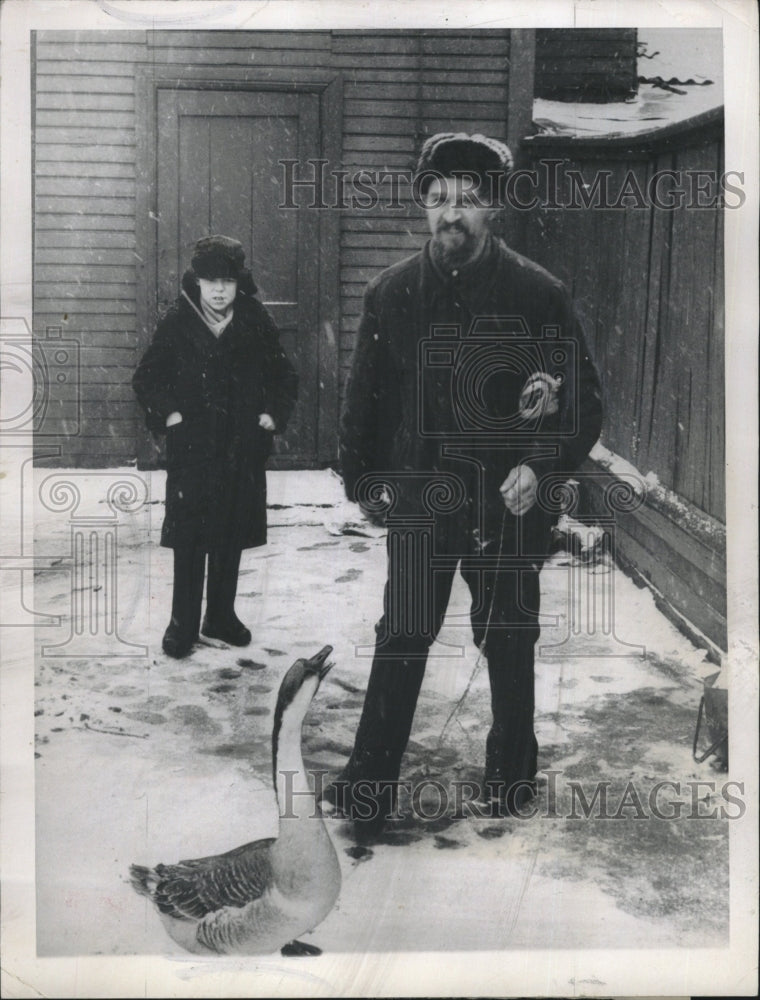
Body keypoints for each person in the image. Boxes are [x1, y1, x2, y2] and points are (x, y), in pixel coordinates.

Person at [325, 133, 603, 837]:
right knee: (404, 636)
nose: (454, 213)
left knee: (508, 637)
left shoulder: (538, 295)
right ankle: (367, 789)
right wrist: (366, 480)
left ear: (495, 210)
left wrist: (539, 466)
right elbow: (364, 402)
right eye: (441, 197)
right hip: (422, 499)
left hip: (506, 508)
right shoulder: (391, 294)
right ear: (424, 205)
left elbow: (584, 403)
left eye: (471, 200)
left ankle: (511, 782)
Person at [133, 235, 298, 659]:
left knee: (228, 534)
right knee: (190, 538)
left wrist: (272, 414)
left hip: (241, 448)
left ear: (238, 283)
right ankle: (182, 623)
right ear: (198, 283)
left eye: (227, 281)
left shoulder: (254, 319)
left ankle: (220, 616)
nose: (219, 290)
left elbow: (283, 376)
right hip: (193, 452)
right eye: (211, 282)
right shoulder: (178, 321)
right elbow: (148, 377)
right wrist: (169, 413)